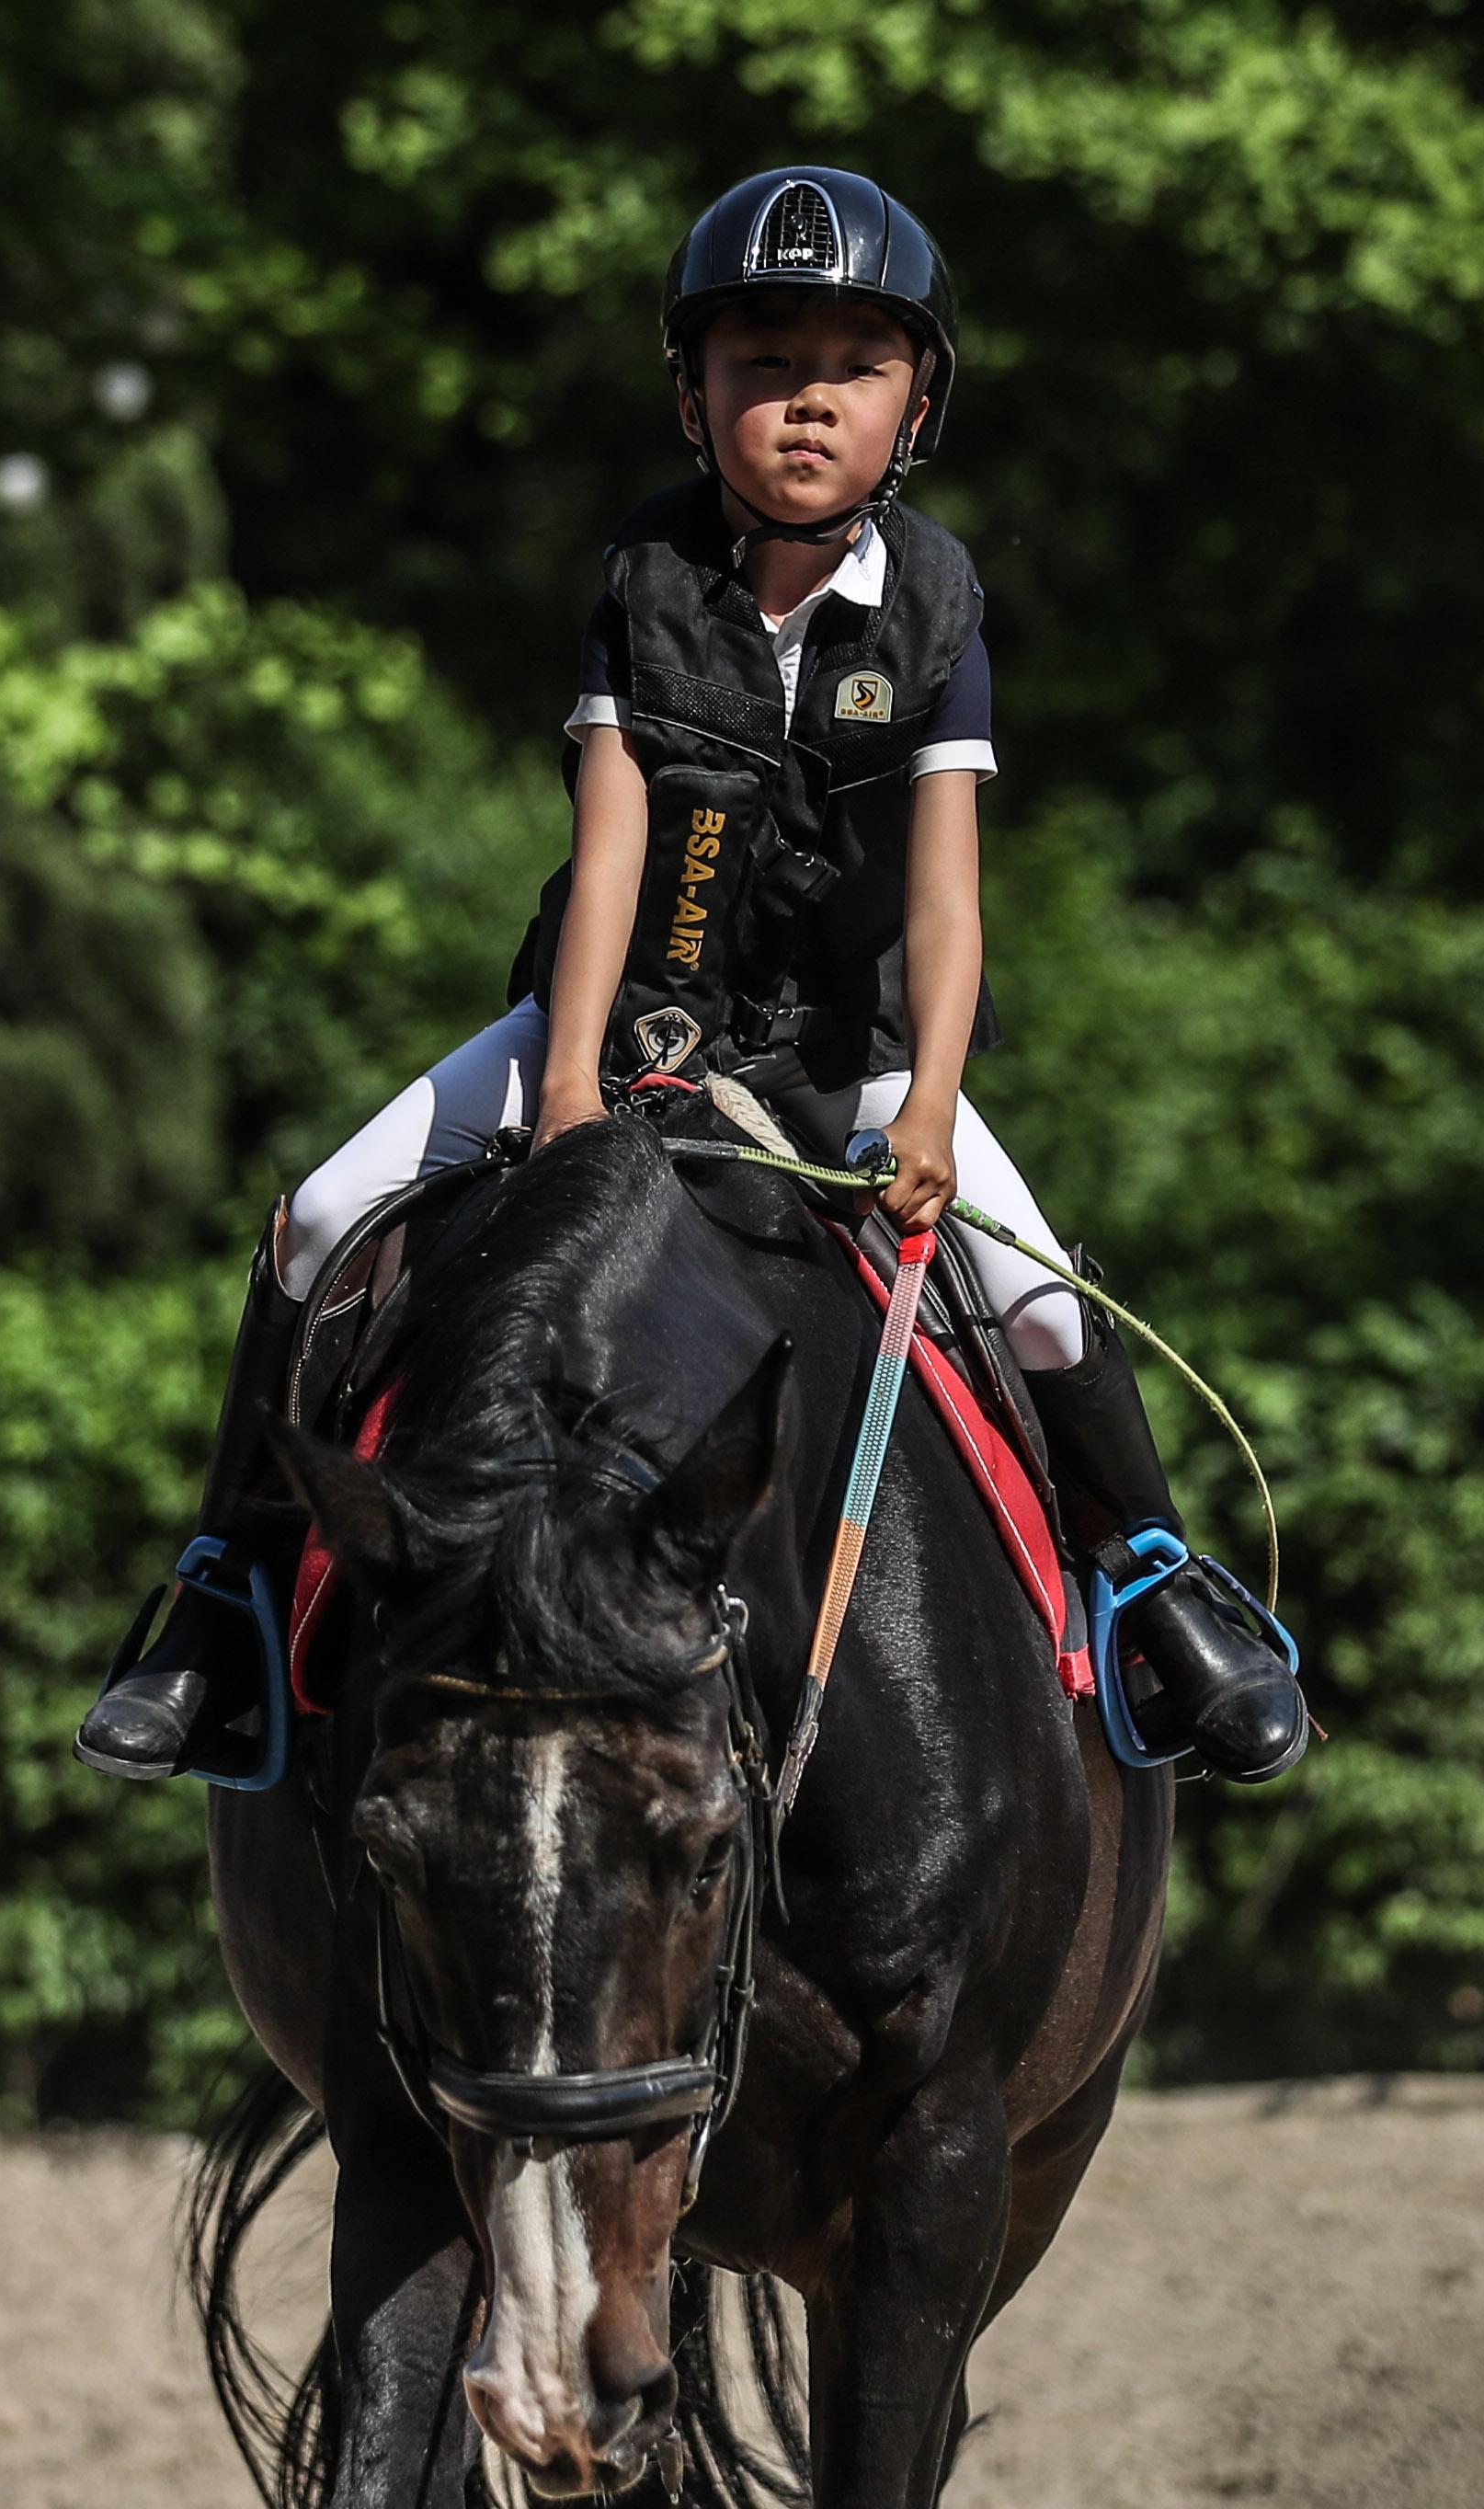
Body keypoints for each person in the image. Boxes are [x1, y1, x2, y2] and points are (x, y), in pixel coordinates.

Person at [77, 166, 1309, 1786]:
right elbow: (610, 856)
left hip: (855, 1054)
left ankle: (1154, 1579)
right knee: (316, 1217)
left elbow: (946, 899)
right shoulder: (641, 588)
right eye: (760, 363)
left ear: (917, 402)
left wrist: (931, 1107)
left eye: (853, 367)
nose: (805, 404)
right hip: (626, 1018)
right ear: (689, 394)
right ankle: (222, 1590)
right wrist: (573, 1082)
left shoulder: (940, 610)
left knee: (1047, 1310)